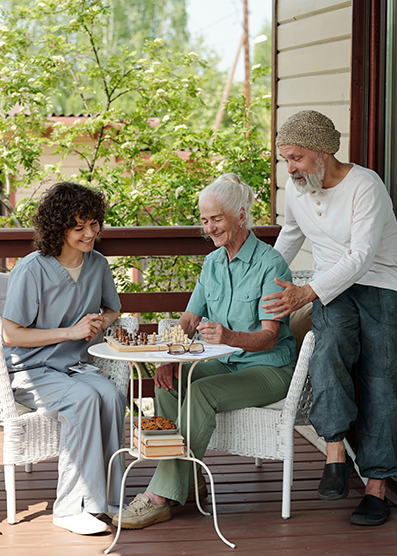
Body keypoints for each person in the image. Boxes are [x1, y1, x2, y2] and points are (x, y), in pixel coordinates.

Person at [112, 173, 297, 530]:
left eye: (217, 219)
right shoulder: (212, 263)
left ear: (241, 216)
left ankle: (159, 496)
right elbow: (188, 320)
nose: (209, 227)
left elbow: (269, 338)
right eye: (204, 220)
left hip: (269, 369)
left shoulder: (270, 264)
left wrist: (227, 336)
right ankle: (189, 481)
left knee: (200, 392)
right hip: (226, 364)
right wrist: (168, 361)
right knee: (170, 381)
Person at [262, 110, 397, 526]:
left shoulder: (366, 186)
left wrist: (307, 291)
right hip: (332, 285)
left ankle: (377, 487)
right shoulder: (297, 190)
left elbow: (361, 256)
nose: (290, 168)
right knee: (327, 352)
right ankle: (335, 452)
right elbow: (290, 236)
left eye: (297, 158)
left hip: (382, 285)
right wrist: (262, 281)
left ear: (324, 153)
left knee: (380, 381)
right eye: (285, 159)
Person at [0, 182, 125, 536]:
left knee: (112, 397)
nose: (90, 234)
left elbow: (113, 309)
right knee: (84, 400)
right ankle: (69, 507)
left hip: (74, 367)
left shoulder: (97, 264)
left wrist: (100, 322)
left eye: (94, 225)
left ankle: (108, 501)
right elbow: (11, 335)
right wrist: (71, 332)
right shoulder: (31, 270)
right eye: (79, 227)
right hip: (30, 371)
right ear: (60, 227)